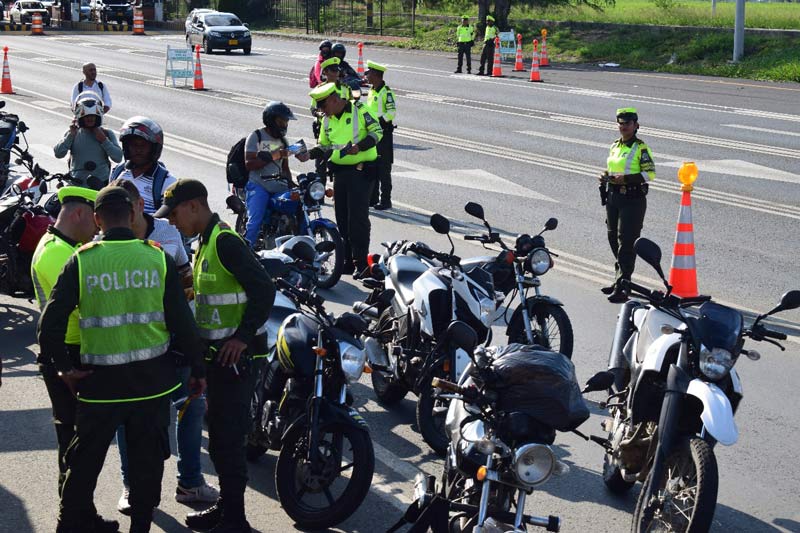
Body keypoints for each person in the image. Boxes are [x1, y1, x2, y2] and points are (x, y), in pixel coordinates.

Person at [38, 185, 206, 533]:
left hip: (100, 388)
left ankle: (69, 525)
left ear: (97, 219)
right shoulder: (157, 257)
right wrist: (198, 370)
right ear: (132, 216)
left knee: (83, 465)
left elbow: (49, 326)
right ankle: (141, 527)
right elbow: (184, 323)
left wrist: (65, 369)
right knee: (147, 465)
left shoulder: (82, 260)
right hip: (151, 388)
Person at [156, 179, 275, 533]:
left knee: (227, 439)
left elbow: (263, 289)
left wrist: (240, 337)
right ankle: (226, 508)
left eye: (175, 214)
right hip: (217, 359)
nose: (172, 222)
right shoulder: (203, 242)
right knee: (222, 442)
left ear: (194, 206)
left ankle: (235, 520)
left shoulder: (224, 241)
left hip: (237, 361)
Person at [109, 179, 218, 515]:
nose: (121, 220)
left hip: (175, 344)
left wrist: (190, 340)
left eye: (127, 211)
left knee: (191, 410)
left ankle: (190, 483)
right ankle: (132, 486)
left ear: (140, 206)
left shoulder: (168, 234)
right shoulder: (107, 242)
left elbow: (187, 283)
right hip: (135, 350)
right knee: (130, 420)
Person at [30, 186, 121, 533]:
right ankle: (71, 520)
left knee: (76, 446)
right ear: (80, 212)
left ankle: (81, 515)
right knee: (78, 448)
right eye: (94, 219)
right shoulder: (59, 255)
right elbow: (90, 302)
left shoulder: (61, 247)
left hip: (67, 355)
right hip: (68, 358)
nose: (98, 228)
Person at [308, 83, 383, 275]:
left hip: (361, 172)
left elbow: (377, 132)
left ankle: (361, 263)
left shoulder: (360, 110)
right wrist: (309, 154)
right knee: (341, 218)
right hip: (340, 172)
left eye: (324, 106)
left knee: (357, 219)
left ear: (334, 99)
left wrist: (360, 147)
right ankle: (347, 260)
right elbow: (325, 146)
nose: (322, 111)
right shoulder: (327, 119)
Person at [599, 107, 656, 303]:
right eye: (620, 123)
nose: (623, 127)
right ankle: (619, 280)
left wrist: (627, 179)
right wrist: (605, 176)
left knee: (626, 242)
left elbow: (650, 174)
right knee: (613, 238)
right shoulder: (615, 145)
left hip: (632, 199)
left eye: (627, 123)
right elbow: (612, 167)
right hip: (614, 197)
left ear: (636, 126)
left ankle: (623, 285)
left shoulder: (641, 148)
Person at [243, 101, 309, 249]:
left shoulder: (282, 141)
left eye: (286, 122)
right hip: (258, 185)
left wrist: (292, 184)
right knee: (255, 222)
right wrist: (275, 155)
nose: (284, 125)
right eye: (281, 121)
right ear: (271, 120)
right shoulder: (256, 136)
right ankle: (245, 253)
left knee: (299, 206)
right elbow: (249, 163)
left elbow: (285, 168)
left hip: (278, 185)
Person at [109, 116, 177, 215]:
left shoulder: (166, 182)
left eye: (143, 145)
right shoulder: (117, 171)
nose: (138, 150)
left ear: (154, 149)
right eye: (133, 145)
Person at [53, 92, 123, 184]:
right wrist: (70, 136)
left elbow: (118, 158)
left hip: (99, 186)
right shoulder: (73, 133)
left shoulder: (107, 134)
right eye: (87, 116)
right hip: (76, 184)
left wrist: (104, 140)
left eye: (93, 116)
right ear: (80, 117)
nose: (90, 119)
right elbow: (58, 153)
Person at [364, 61, 396, 210]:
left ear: (376, 75)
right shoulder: (372, 90)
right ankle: (373, 198)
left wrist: (379, 123)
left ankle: (386, 200)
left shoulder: (386, 92)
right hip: (372, 134)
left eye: (369, 73)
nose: (367, 75)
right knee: (373, 166)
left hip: (383, 134)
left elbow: (391, 112)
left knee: (383, 169)